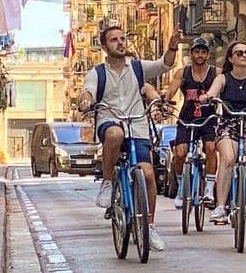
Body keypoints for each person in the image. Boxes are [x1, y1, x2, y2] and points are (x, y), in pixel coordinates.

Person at [78, 26, 182, 252]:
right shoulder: (97, 73)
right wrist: (86, 100)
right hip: (110, 120)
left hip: (137, 125)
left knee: (147, 174)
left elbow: (164, 64)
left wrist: (173, 44)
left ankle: (149, 226)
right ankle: (107, 183)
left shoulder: (137, 68)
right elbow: (88, 90)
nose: (120, 43)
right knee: (115, 134)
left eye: (122, 38)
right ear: (105, 47)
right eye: (114, 40)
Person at [199, 41, 246, 223]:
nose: (244, 56)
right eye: (239, 53)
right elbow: (213, 91)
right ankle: (220, 206)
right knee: (227, 158)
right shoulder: (223, 78)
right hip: (228, 123)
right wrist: (207, 97)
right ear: (231, 58)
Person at [163, 37, 221, 209]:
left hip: (209, 118)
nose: (200, 55)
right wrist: (165, 103)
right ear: (192, 53)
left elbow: (222, 90)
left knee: (211, 148)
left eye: (203, 52)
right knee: (180, 153)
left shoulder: (216, 73)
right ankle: (182, 186)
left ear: (208, 54)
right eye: (197, 51)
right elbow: (171, 91)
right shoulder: (183, 73)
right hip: (186, 118)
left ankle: (209, 190)